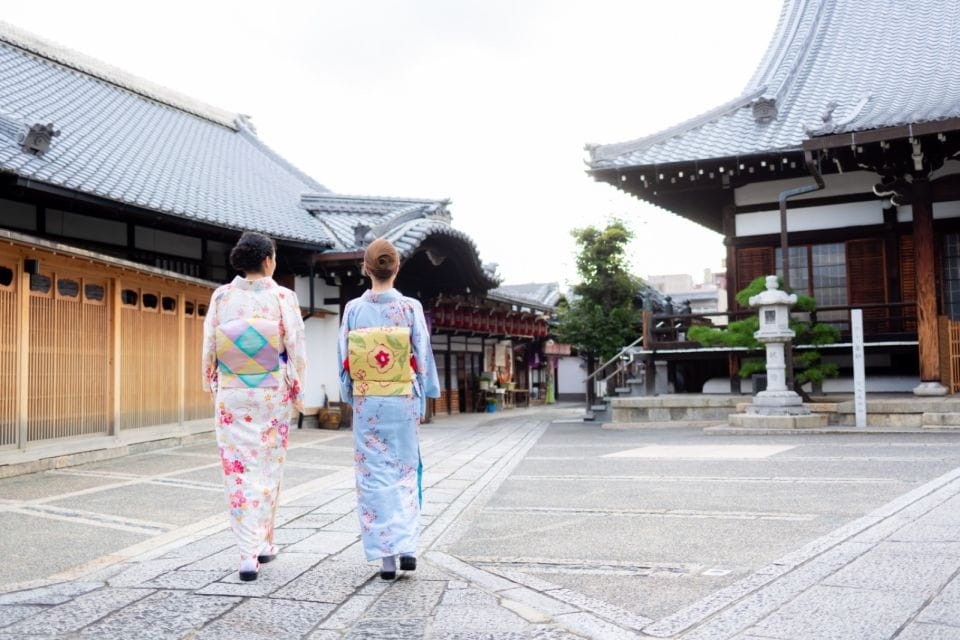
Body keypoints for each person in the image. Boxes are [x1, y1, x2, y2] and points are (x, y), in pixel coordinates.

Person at [202, 231, 306, 581]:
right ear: (267, 260)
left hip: (233, 388)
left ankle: (252, 549)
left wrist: (211, 383)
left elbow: (209, 346)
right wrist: (298, 387)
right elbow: (295, 345)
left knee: (237, 469)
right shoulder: (282, 296)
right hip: (270, 390)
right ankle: (258, 546)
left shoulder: (222, 296)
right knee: (267, 466)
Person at [338, 238, 440, 580]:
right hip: (402, 398)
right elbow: (422, 355)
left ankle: (386, 559)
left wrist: (351, 394)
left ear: (366, 269)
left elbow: (345, 360)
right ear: (396, 268)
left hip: (369, 399)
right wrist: (424, 392)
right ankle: (407, 547)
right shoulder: (410, 308)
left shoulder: (354, 309)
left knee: (373, 476)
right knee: (405, 471)